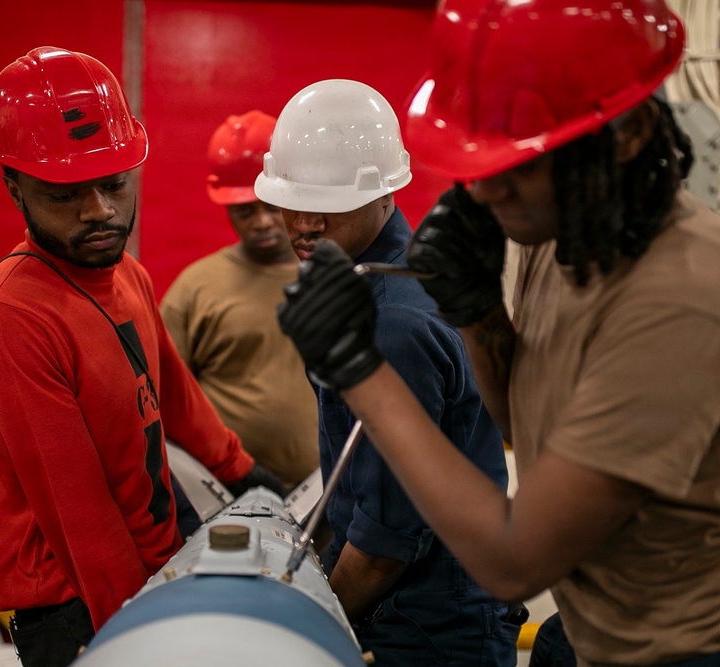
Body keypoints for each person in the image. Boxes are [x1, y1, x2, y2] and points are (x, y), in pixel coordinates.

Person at [275, 3, 720, 667]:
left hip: (717, 644)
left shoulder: (689, 294)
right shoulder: (553, 237)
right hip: (603, 630)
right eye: (483, 162)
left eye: (519, 165)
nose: (489, 191)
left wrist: (362, 374)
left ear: (628, 134)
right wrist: (476, 312)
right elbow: (526, 426)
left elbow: (514, 561)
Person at [0, 46, 283, 667]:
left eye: (114, 183)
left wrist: (240, 471)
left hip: (161, 566)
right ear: (13, 187)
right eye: (64, 193)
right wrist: (142, 639)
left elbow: (175, 394)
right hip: (78, 609)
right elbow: (80, 518)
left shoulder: (126, 274)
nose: (100, 210)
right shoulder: (11, 320)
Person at [254, 79, 522, 666]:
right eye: (289, 200)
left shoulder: (391, 321)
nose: (301, 222)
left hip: (424, 622)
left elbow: (384, 545)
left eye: (325, 204)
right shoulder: (377, 279)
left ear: (384, 195)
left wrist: (305, 624)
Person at [160, 110, 318, 490]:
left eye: (271, 207)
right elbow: (164, 397)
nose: (262, 222)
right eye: (245, 211)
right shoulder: (195, 288)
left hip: (332, 490)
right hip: (223, 494)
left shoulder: (340, 278)